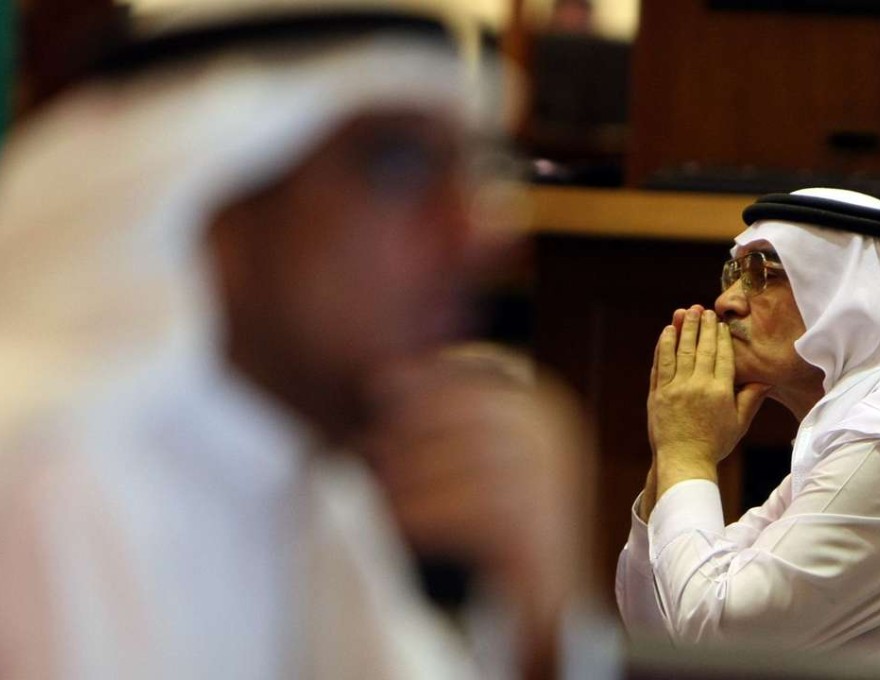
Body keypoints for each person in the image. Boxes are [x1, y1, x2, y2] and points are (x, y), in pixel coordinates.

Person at [0, 4, 592, 679]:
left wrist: (547, 619)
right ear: (220, 200)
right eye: (398, 165)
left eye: (471, 168)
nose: (480, 233)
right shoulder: (49, 490)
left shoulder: (307, 481)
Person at [616, 187, 880, 678]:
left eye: (762, 274)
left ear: (850, 290)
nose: (726, 302)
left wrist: (687, 450)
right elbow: (658, 627)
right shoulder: (862, 419)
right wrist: (672, 451)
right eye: (733, 274)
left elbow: (716, 641)